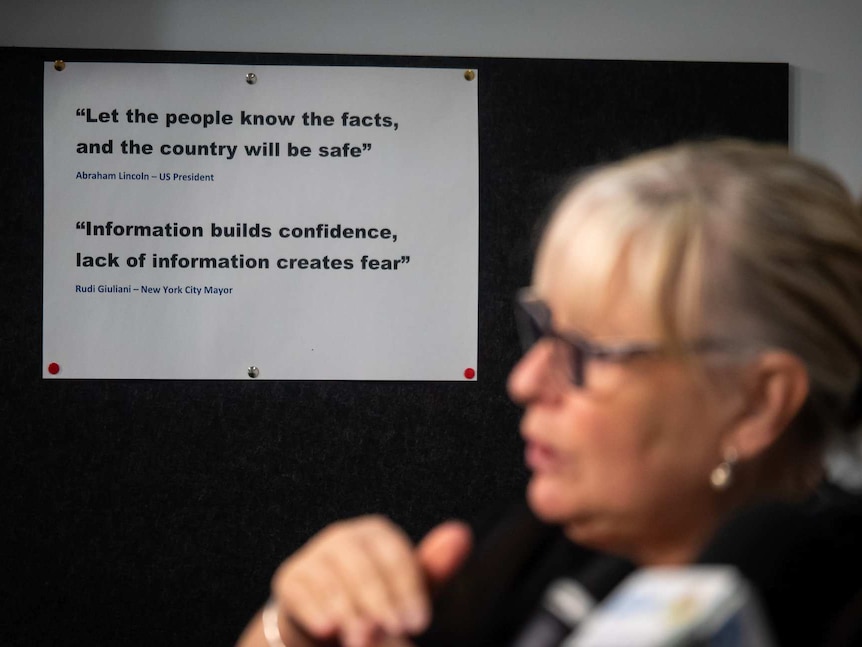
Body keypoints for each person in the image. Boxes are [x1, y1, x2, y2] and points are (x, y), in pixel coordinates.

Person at [238, 139, 862, 647]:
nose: (524, 381)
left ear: (756, 404)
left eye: (586, 353)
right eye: (542, 331)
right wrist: (295, 627)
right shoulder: (523, 554)